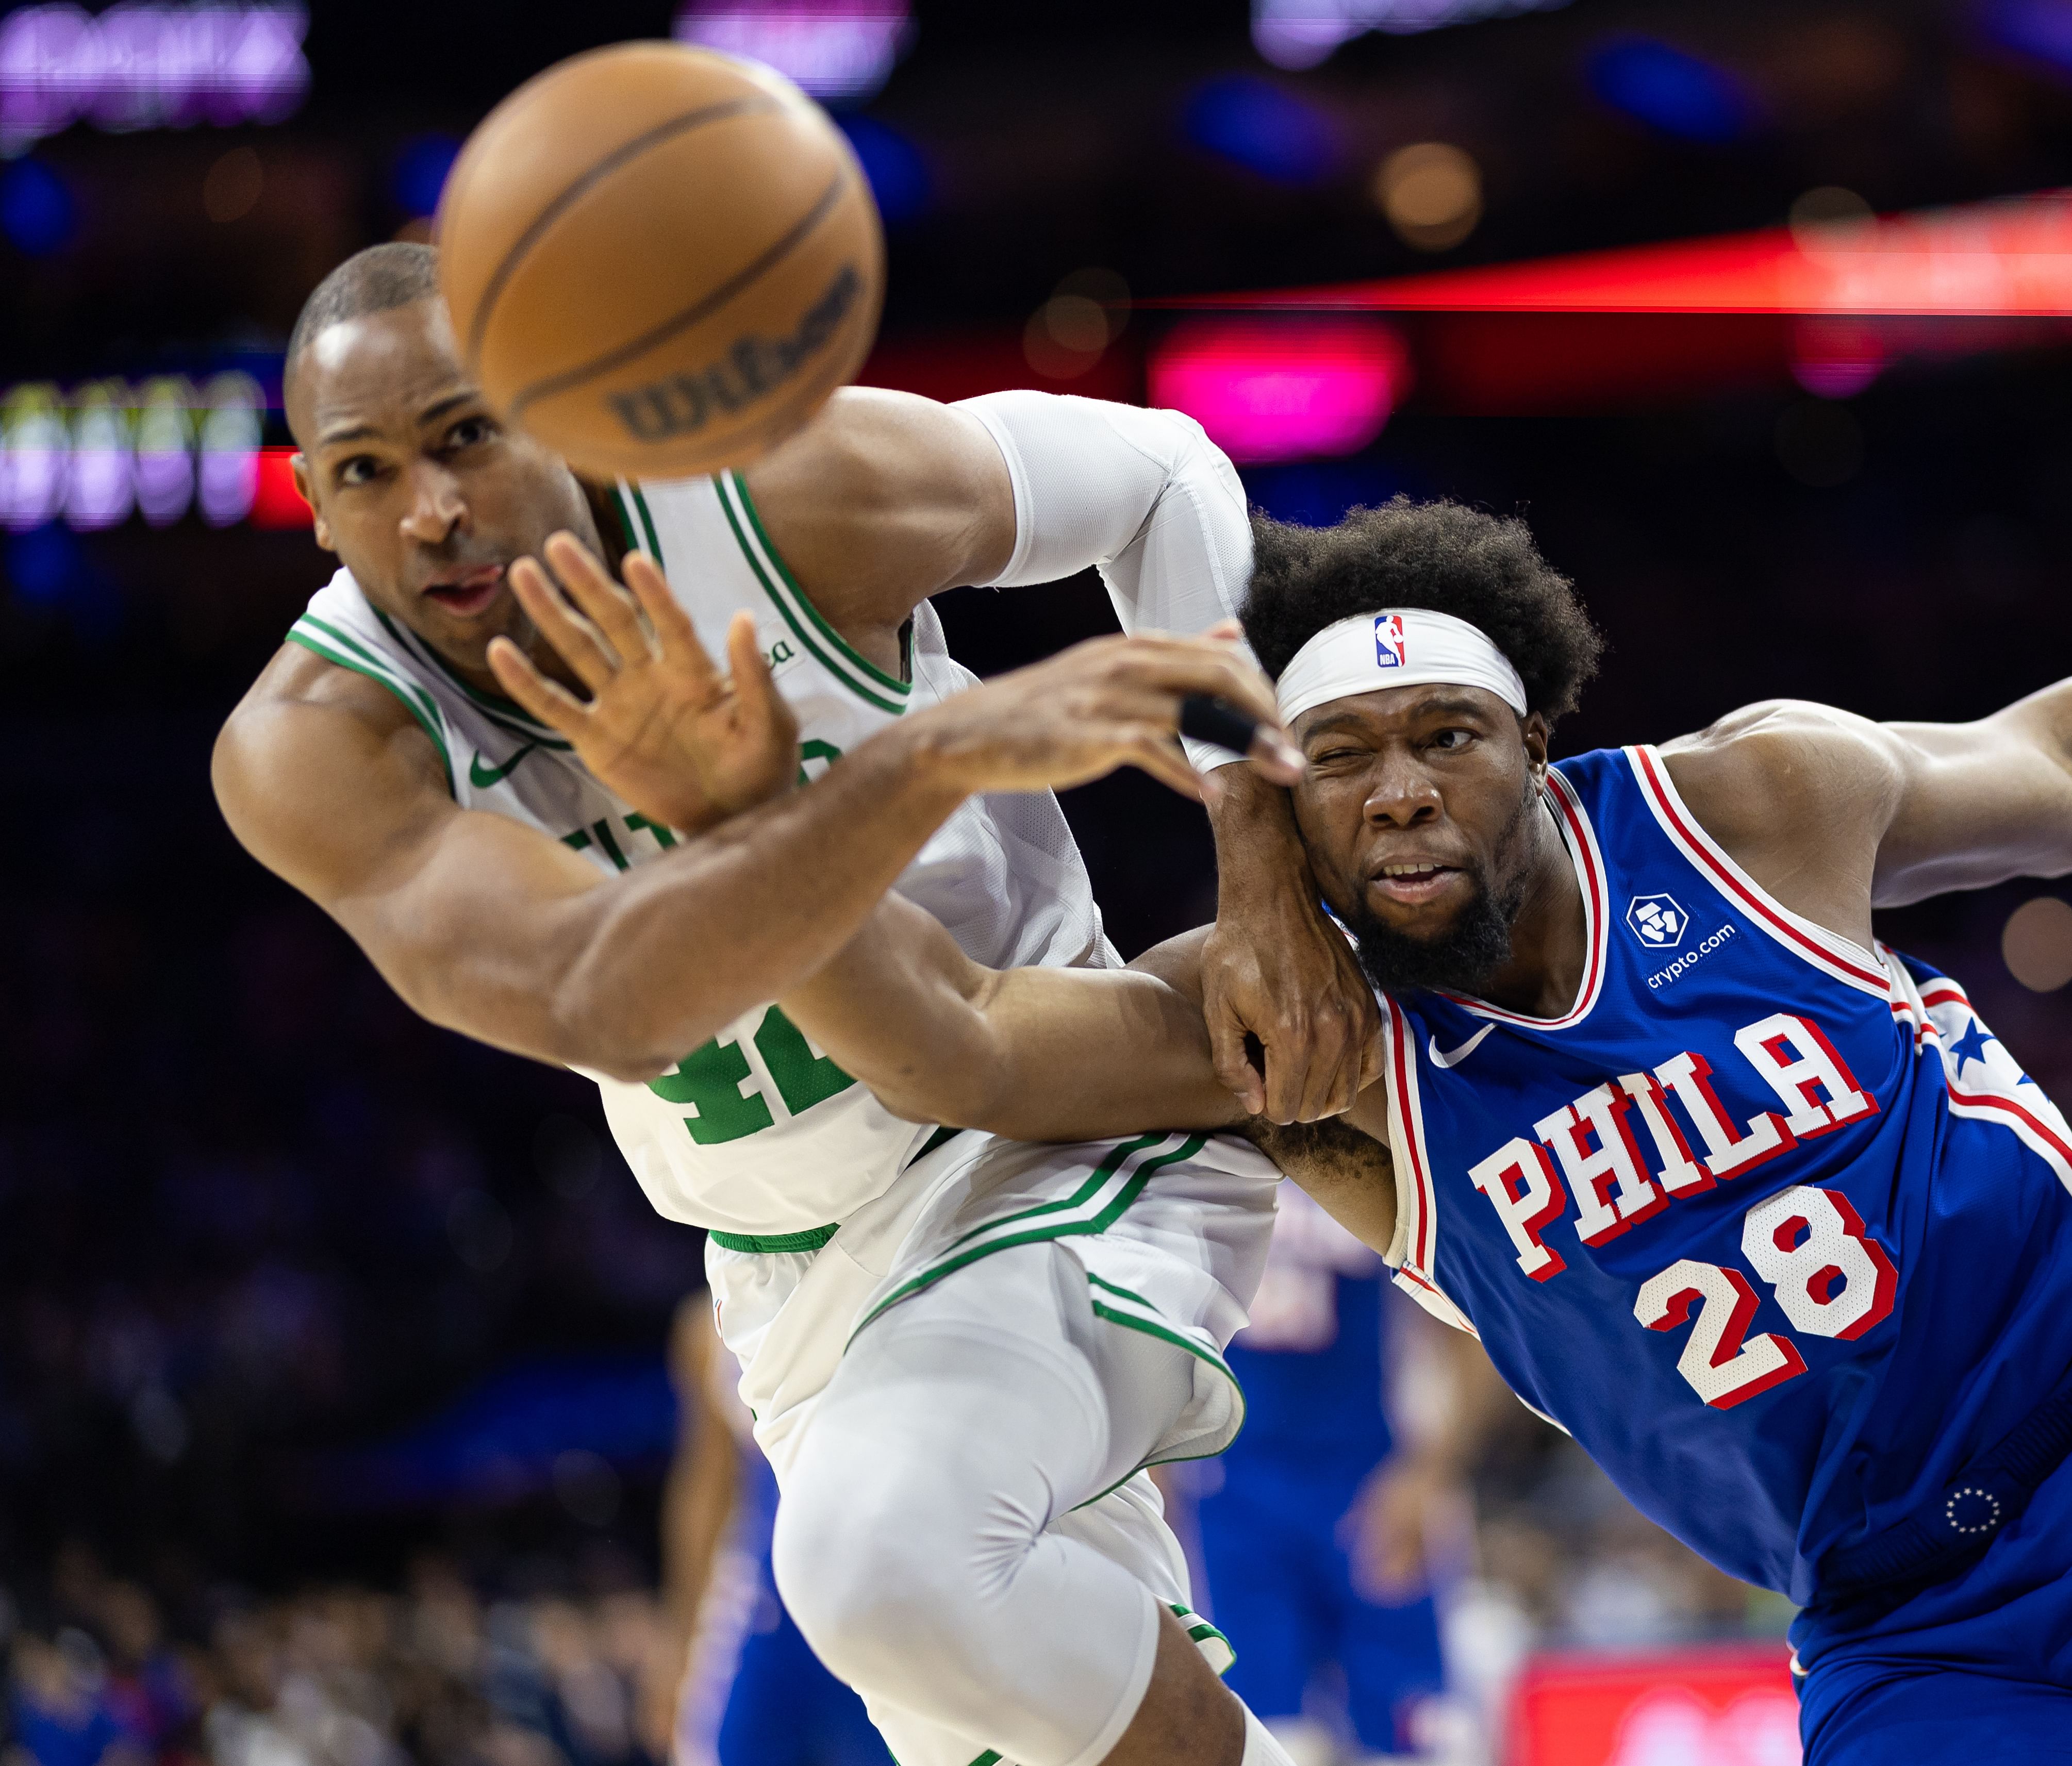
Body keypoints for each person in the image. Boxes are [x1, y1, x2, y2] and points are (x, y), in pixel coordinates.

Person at [535, 475, 2072, 1765]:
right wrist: (745, 819)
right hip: (1908, 1614)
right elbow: (964, 1040)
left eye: (1448, 738)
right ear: (1287, 798)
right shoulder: (1292, 1038)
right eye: (1343, 757)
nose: (1402, 786)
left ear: (1539, 743)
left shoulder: (1744, 807)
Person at [212, 240, 1384, 1766]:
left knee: (878, 1561)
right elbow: (603, 997)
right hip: (791, 1284)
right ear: (312, 498)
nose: (429, 507)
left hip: (1051, 1111)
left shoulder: (772, 494)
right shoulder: (318, 744)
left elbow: (1164, 470)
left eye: (465, 434)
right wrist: (922, 760)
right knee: (994, 1679)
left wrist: (1261, 852)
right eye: (366, 470)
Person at [1188, 1187, 1501, 1764]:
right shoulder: (1194, 1164)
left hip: (1370, 1481)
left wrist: (1432, 1472)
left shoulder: (1363, 1158)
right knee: (1265, 1737)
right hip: (1235, 1489)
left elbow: (1478, 1327)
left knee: (1412, 1736)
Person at [653, 1294, 893, 1766]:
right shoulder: (711, 1322)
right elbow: (707, 1490)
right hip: (762, 1623)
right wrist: (677, 1639)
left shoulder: (910, 1278)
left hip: (884, 1611)